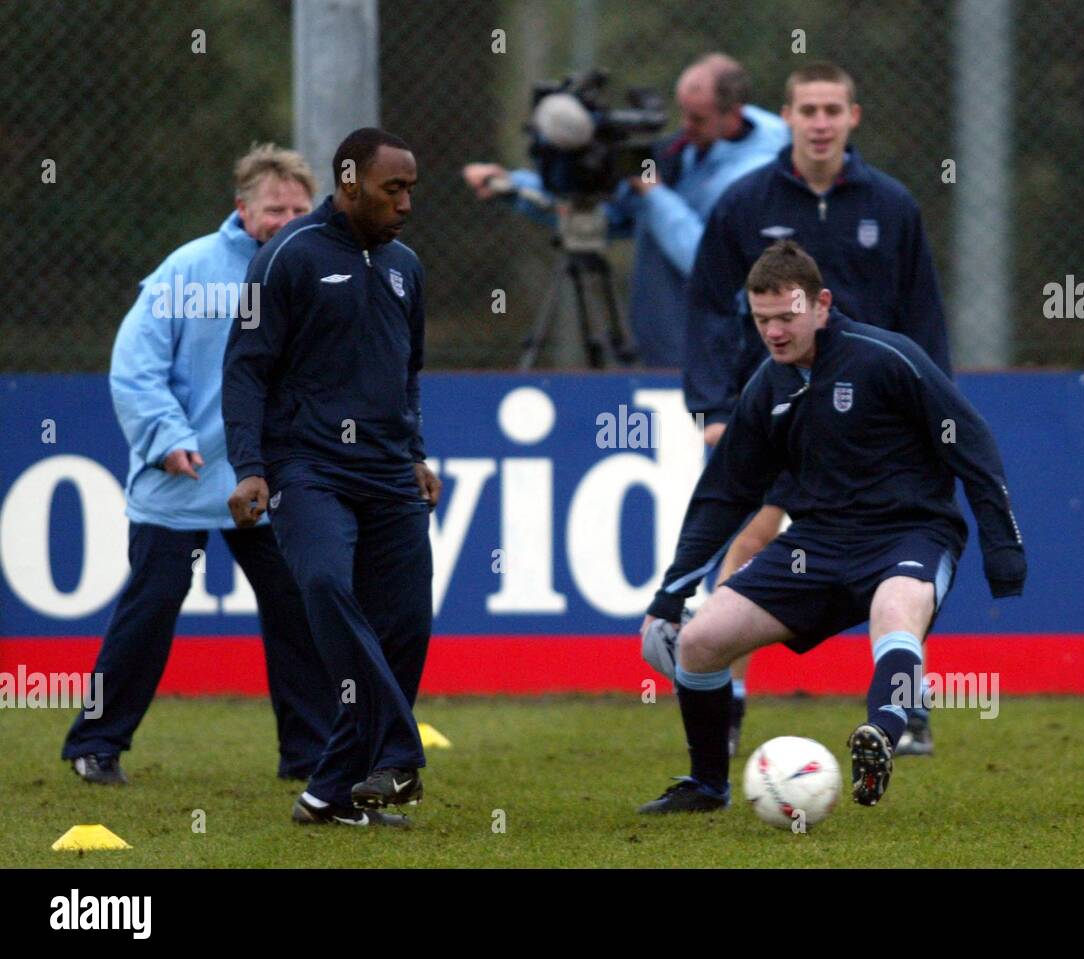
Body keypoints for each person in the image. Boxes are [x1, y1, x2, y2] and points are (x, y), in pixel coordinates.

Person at [638, 241, 1025, 814]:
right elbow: (724, 495)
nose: (773, 331)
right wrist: (671, 593)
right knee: (698, 641)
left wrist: (1003, 546)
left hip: (911, 534)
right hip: (815, 547)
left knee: (896, 612)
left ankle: (882, 738)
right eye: (762, 319)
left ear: (821, 305)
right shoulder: (766, 388)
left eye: (786, 316)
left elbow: (970, 442)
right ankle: (706, 784)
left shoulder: (887, 358)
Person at [685, 62, 951, 756]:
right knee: (749, 541)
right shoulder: (744, 201)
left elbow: (922, 316)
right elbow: (711, 308)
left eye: (834, 108)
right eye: (809, 109)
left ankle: (904, 706)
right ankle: (730, 696)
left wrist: (936, 413)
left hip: (877, 425)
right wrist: (714, 406)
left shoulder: (891, 205)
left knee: (895, 556)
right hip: (779, 416)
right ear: (788, 116)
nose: (822, 121)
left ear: (853, 117)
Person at [63, 144, 336, 785]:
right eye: (275, 208)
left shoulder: (317, 273)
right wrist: (166, 438)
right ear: (242, 209)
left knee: (298, 608)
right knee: (151, 606)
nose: (288, 220)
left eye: (300, 208)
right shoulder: (186, 271)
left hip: (264, 481)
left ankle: (308, 754)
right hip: (180, 478)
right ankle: (95, 744)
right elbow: (136, 367)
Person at [223, 127, 440, 829]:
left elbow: (406, 373)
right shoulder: (285, 256)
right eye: (392, 188)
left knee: (406, 621)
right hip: (305, 466)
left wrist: (415, 452)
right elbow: (246, 367)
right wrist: (251, 466)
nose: (406, 202)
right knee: (323, 584)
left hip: (386, 469)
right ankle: (397, 750)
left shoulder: (407, 264)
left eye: (411, 188)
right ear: (349, 183)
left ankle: (330, 791)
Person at [462, 52, 788, 367]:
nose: (685, 126)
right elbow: (608, 217)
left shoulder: (761, 172)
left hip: (722, 353)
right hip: (669, 341)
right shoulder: (692, 148)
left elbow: (704, 259)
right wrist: (514, 187)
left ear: (733, 115)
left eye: (698, 118)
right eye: (682, 112)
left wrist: (653, 192)